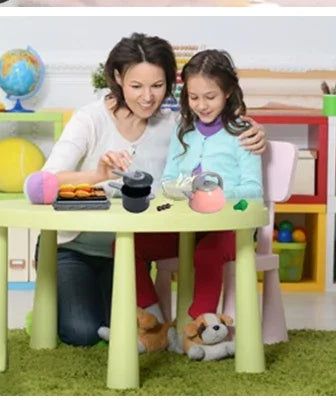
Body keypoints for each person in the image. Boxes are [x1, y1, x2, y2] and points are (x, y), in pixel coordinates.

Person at [41, 33, 266, 346]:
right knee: (82, 331)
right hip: (77, 247)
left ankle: (164, 328)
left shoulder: (175, 125)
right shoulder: (90, 119)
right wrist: (97, 174)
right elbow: (45, 181)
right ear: (118, 78)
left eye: (157, 85)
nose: (147, 97)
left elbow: (216, 129)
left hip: (129, 244)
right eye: (136, 86)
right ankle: (149, 323)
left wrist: (255, 130)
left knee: (115, 324)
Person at [123, 49, 263, 357]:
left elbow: (253, 190)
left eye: (210, 97)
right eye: (194, 97)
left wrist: (213, 191)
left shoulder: (243, 133)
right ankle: (155, 323)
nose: (201, 105)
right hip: (186, 226)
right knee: (128, 245)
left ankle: (198, 328)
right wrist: (182, 189)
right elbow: (167, 181)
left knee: (206, 253)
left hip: (230, 230)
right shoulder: (183, 131)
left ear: (228, 92)